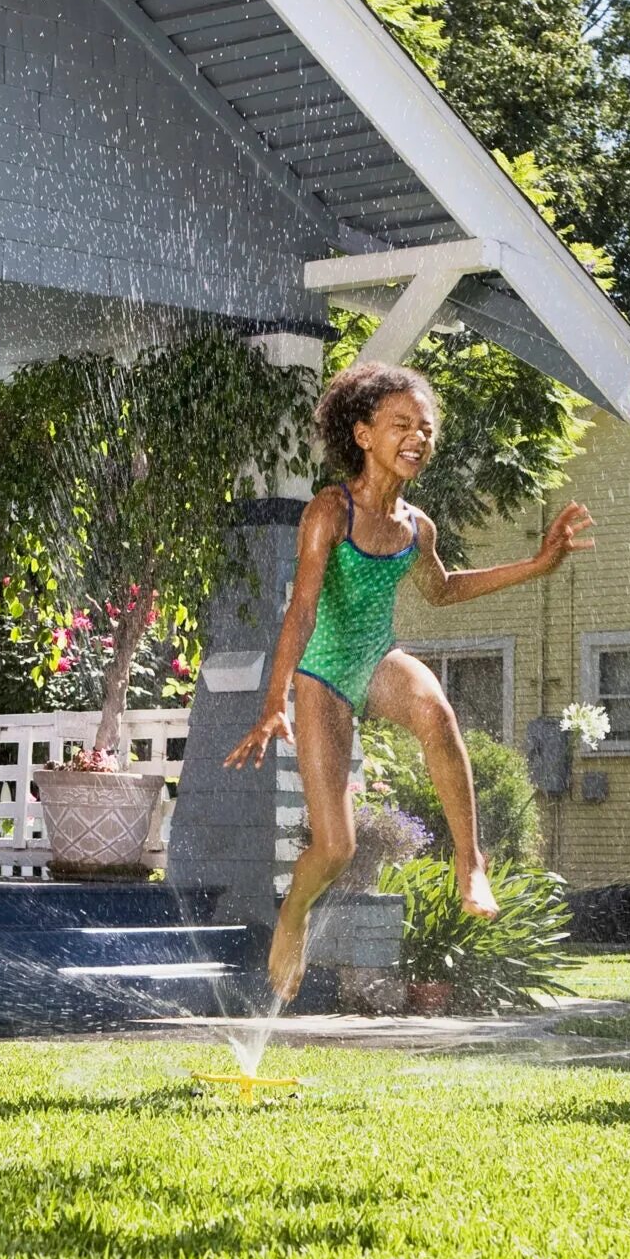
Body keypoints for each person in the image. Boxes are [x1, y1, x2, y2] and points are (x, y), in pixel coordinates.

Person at [225, 362, 593, 1004]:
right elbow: (303, 610)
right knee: (335, 849)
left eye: (426, 428)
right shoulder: (327, 512)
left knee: (437, 713)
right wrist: (274, 699)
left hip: (377, 657)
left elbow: (442, 590)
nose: (418, 437)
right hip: (322, 676)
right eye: (402, 424)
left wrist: (539, 564)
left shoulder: (416, 527)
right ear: (363, 434)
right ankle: (294, 915)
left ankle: (469, 861)